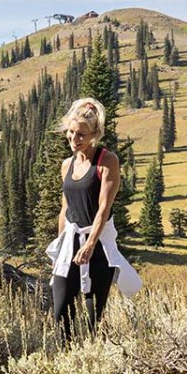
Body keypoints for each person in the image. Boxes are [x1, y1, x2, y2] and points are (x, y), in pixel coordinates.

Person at [46, 97, 141, 341]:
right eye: (71, 132)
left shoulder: (107, 161)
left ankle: (93, 363)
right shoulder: (67, 165)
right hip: (70, 243)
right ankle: (67, 367)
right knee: (60, 312)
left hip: (97, 246)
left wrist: (89, 245)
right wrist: (59, 248)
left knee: (92, 318)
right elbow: (64, 209)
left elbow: (103, 209)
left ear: (94, 135)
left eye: (81, 134)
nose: (74, 139)